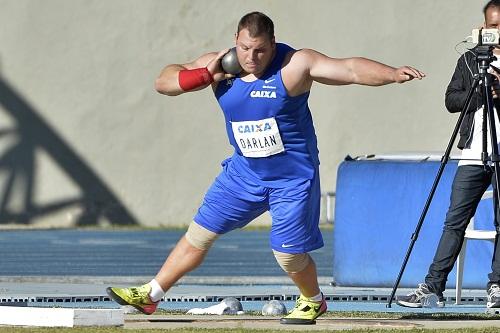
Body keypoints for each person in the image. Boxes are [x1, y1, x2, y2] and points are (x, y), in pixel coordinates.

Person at [107, 11, 424, 324]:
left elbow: (350, 69)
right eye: (245, 48)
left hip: (292, 179)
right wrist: (203, 77)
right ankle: (151, 295)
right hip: (243, 174)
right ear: (236, 41)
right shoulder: (220, 65)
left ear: (273, 43)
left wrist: (392, 73)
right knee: (198, 234)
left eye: (259, 50)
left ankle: (313, 300)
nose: (251, 57)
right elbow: (164, 81)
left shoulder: (294, 65)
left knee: (287, 255)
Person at [397, 0, 500, 309]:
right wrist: (478, 91)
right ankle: (433, 286)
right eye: (494, 25)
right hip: (472, 151)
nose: (499, 31)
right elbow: (451, 100)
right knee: (454, 221)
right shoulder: (470, 60)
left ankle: (497, 286)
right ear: (483, 28)